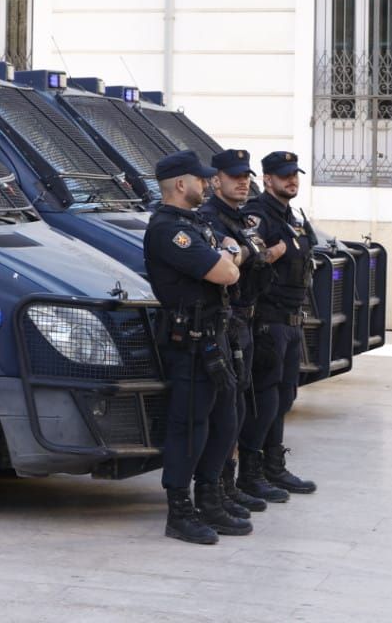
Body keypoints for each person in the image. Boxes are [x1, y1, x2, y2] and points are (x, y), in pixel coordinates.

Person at [144, 150, 248, 544]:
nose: (207, 184)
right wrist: (229, 257)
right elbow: (226, 270)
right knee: (189, 426)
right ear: (181, 184)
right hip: (189, 342)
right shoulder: (169, 230)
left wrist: (229, 255)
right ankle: (179, 511)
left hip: (214, 338)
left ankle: (210, 498)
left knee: (225, 421)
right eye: (201, 179)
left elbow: (231, 256)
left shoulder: (192, 224)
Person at [196, 149, 287, 514]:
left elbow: (255, 255)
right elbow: (234, 259)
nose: (242, 182)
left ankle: (228, 485)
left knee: (239, 407)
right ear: (215, 180)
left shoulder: (239, 218)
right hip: (226, 320)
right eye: (234, 176)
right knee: (225, 412)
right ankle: (215, 489)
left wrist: (251, 251)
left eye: (245, 176)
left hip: (246, 319)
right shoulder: (210, 218)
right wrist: (251, 252)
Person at [238, 151, 319, 497]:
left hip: (291, 320)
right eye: (284, 175)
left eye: (295, 174)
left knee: (284, 397)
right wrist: (273, 253)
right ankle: (250, 472)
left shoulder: (293, 216)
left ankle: (274, 465)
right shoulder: (258, 215)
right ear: (267, 179)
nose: (292, 180)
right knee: (265, 399)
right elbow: (249, 261)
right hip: (268, 321)